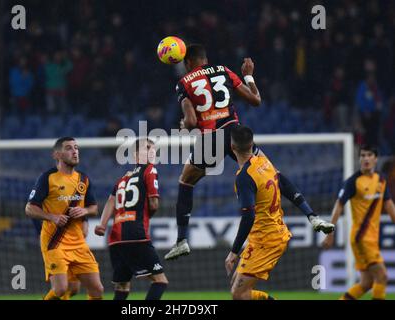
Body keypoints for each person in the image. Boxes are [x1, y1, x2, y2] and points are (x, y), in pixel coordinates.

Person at [165, 44, 334, 260]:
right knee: (273, 173)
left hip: (212, 139)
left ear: (188, 63)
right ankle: (313, 216)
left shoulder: (184, 83)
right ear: (205, 59)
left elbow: (190, 121)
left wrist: (183, 125)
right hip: (235, 133)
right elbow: (256, 100)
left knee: (186, 181)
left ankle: (181, 240)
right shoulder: (224, 70)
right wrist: (249, 77)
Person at [25, 137, 104, 300]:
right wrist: (51, 217)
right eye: (69, 148)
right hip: (55, 241)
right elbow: (29, 208)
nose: (74, 151)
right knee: (61, 289)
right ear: (57, 155)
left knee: (96, 289)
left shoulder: (84, 179)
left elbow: (94, 208)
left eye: (76, 148)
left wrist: (84, 212)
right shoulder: (47, 178)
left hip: (78, 242)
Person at [95, 138, 169, 300]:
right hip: (136, 234)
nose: (151, 151)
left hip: (115, 238)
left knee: (122, 286)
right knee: (160, 281)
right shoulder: (150, 170)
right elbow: (154, 203)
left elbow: (110, 200)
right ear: (136, 155)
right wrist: (145, 215)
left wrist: (102, 224)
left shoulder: (123, 178)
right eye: (147, 148)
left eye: (153, 149)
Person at [225, 125, 291, 300]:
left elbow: (248, 216)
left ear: (232, 147)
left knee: (238, 294)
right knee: (239, 290)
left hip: (266, 240)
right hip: (268, 235)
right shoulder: (264, 162)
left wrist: (234, 251)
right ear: (252, 143)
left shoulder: (244, 177)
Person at [322, 145, 395, 300]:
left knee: (366, 283)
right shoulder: (353, 182)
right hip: (362, 238)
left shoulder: (381, 180)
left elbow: (388, 205)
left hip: (372, 238)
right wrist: (329, 232)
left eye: (369, 155)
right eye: (362, 155)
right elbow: (339, 205)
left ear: (375, 158)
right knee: (382, 276)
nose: (365, 158)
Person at [31, 218, 89, 300]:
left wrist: (85, 223)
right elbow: (33, 209)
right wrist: (40, 231)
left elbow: (85, 208)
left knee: (74, 289)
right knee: (61, 288)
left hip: (73, 241)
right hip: (54, 243)